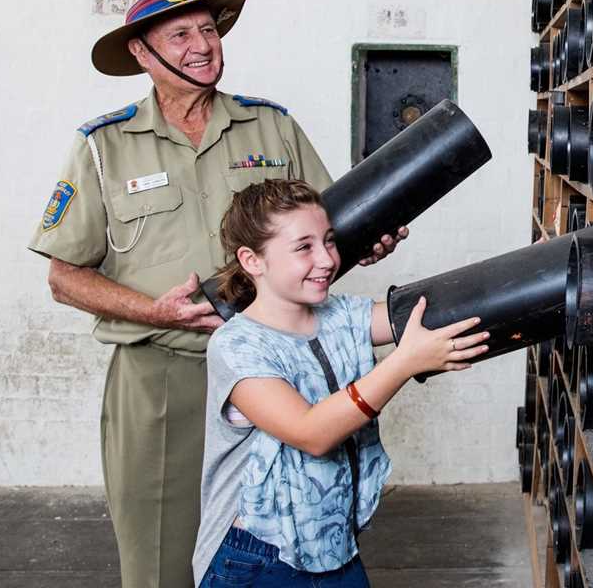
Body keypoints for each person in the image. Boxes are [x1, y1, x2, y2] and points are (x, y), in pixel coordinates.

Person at [27, 0, 406, 588]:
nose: (202, 46)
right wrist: (156, 312)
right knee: (159, 556)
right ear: (141, 53)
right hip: (163, 379)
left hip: (278, 367)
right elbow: (64, 278)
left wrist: (366, 239)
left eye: (209, 29)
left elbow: (323, 230)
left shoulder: (271, 127)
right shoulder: (104, 145)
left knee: (297, 539)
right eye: (179, 36)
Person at [194, 179, 490, 587]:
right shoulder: (237, 346)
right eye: (304, 247)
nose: (327, 259)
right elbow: (311, 432)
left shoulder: (341, 314)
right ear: (252, 260)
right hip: (257, 554)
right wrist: (403, 363)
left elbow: (420, 316)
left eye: (329, 241)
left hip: (331, 542)